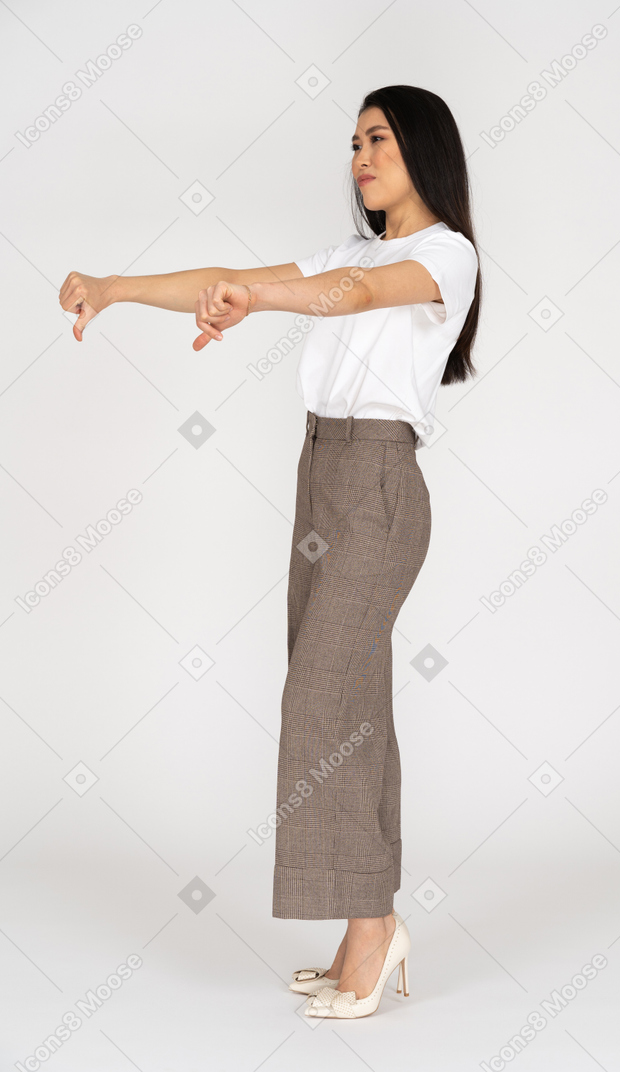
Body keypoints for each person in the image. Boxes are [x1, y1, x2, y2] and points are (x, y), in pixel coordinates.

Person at [59, 83, 481, 1019]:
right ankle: (367, 921)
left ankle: (370, 922)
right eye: (355, 142)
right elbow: (249, 274)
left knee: (323, 694)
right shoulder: (354, 251)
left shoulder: (442, 253)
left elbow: (359, 294)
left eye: (378, 140)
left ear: (423, 152)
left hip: (376, 484)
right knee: (348, 696)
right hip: (320, 471)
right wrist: (118, 288)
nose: (360, 156)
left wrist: (257, 298)